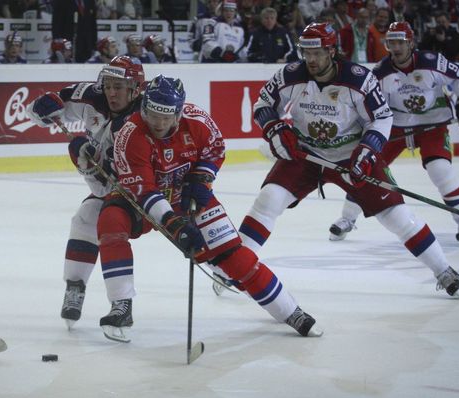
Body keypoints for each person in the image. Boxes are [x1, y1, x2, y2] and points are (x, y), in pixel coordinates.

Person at [238, 22, 459, 300]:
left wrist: (368, 149)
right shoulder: (290, 75)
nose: (310, 59)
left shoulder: (359, 79)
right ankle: (236, 268)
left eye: (317, 53)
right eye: (306, 53)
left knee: (398, 217)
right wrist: (274, 128)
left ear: (331, 50)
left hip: (352, 154)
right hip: (306, 154)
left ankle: (443, 270)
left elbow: (382, 117)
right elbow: (262, 104)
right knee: (268, 200)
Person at [95, 74, 324, 343]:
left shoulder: (198, 121)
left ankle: (290, 311)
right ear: (144, 108)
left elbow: (215, 150)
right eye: (153, 114)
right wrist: (175, 224)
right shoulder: (130, 135)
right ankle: (121, 305)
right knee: (111, 220)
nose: (158, 123)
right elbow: (144, 190)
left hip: (189, 195)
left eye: (166, 117)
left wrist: (202, 177)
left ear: (179, 113)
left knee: (235, 257)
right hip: (143, 200)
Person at [329, 22, 459, 247]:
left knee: (440, 169)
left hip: (432, 124)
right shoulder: (380, 72)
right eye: (391, 43)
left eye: (400, 42)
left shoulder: (431, 61)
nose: (396, 47)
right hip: (395, 126)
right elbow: (367, 103)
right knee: (365, 167)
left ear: (411, 43)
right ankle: (347, 218)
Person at [25, 56, 146, 330]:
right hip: (112, 187)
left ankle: (231, 269)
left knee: (106, 222)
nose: (111, 93)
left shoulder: (140, 121)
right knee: (85, 217)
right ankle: (80, 289)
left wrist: (87, 165)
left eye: (120, 87)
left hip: (144, 190)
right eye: (109, 85)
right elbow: (45, 108)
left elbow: (107, 186)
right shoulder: (92, 96)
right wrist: (42, 106)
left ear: (135, 88)